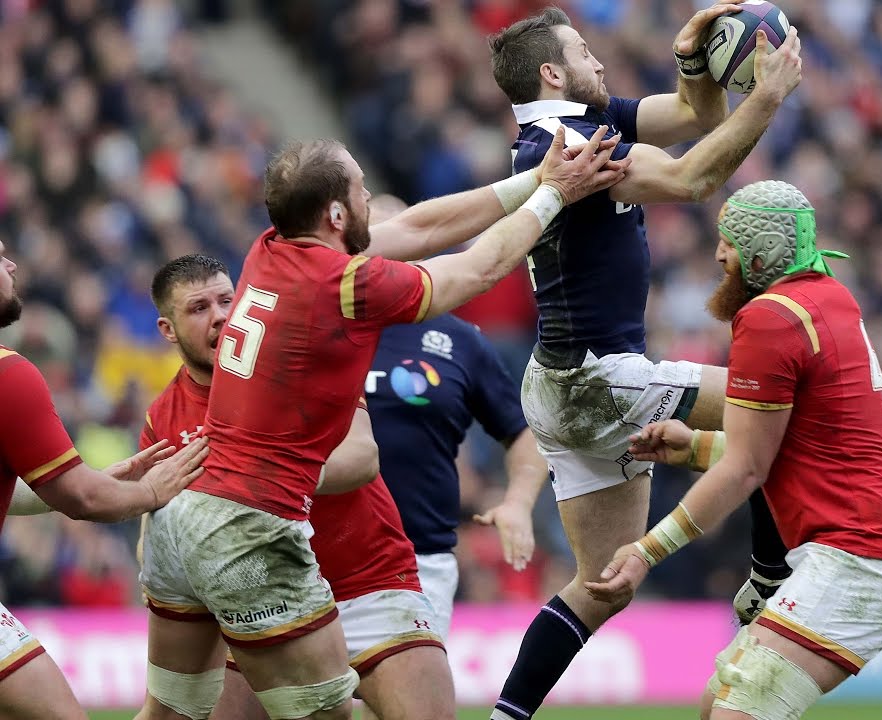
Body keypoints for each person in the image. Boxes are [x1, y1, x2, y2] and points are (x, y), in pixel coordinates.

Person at [135, 129, 626, 720]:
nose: (370, 199)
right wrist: (555, 199)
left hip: (206, 529)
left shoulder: (267, 251)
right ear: (337, 212)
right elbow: (472, 272)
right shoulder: (341, 284)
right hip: (254, 531)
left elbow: (417, 229)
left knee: (171, 714)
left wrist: (536, 180)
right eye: (363, 189)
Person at [486, 6, 803, 717]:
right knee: (784, 407)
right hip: (598, 379)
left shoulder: (577, 123)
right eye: (584, 51)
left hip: (560, 381)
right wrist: (768, 96)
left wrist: (696, 61)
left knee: (601, 584)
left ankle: (508, 715)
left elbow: (692, 115)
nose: (599, 61)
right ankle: (766, 576)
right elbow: (693, 179)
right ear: (552, 72)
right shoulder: (574, 142)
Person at [585, 181, 882, 720]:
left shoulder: (769, 316)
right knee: (714, 707)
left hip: (859, 557)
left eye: (728, 242)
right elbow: (797, 445)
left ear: (760, 253)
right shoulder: (831, 298)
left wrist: (644, 551)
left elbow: (747, 468)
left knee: (736, 714)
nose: (719, 253)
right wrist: (696, 445)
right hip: (875, 551)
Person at [118, 253, 450, 720]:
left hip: (368, 581)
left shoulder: (301, 361)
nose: (219, 317)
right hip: (266, 601)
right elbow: (159, 534)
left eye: (226, 301)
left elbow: (361, 458)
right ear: (167, 330)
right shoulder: (163, 418)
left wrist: (253, 481)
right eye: (198, 309)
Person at [0, 240, 208, 719]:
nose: (12, 264)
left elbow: (52, 490)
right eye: (0, 257)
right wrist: (150, 491)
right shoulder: (10, 375)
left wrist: (82, 480)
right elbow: (82, 499)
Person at [362, 194, 547, 646]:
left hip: (419, 561)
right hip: (317, 552)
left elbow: (523, 435)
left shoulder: (459, 340)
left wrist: (518, 502)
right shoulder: (317, 326)